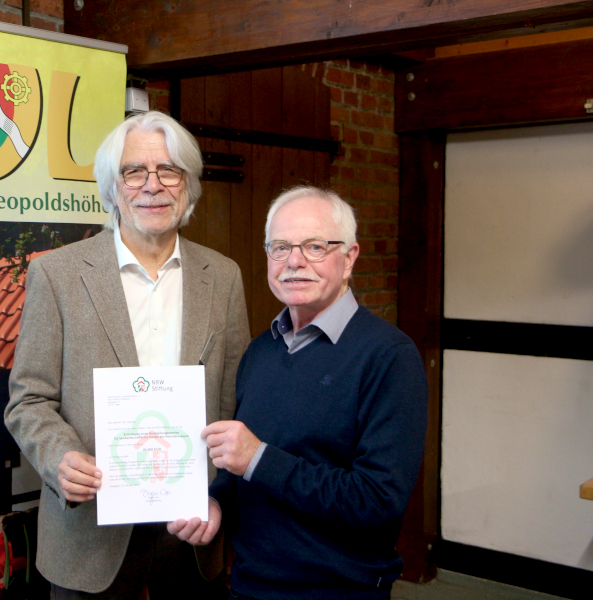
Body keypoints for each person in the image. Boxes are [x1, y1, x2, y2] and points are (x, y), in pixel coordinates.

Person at [5, 111, 250, 600]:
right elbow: (28, 400)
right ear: (112, 188)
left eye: (169, 170)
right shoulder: (57, 275)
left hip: (190, 531)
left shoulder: (223, 277)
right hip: (89, 536)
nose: (152, 185)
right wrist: (60, 459)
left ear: (188, 186)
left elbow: (234, 403)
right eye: (134, 171)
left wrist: (221, 494)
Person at [170, 186, 428, 599]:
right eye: (281, 247)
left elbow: (378, 503)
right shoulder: (259, 351)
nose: (294, 261)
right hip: (250, 585)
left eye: (315, 246)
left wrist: (259, 457)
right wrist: (217, 501)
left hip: (339, 590)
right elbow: (243, 471)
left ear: (349, 259)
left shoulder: (389, 357)